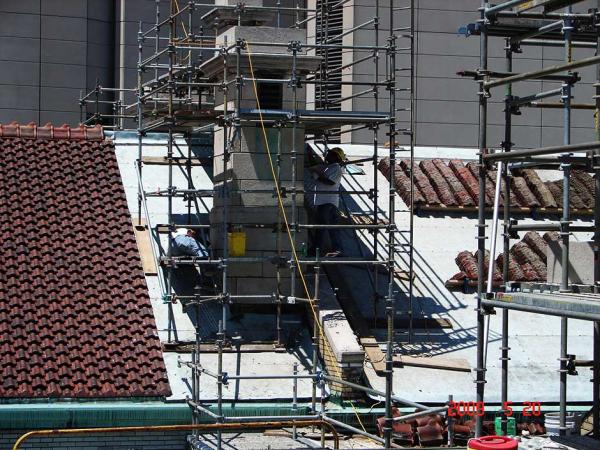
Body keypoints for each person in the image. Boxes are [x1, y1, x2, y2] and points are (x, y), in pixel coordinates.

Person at [307, 147, 347, 257]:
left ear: (336, 157)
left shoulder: (336, 168)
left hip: (328, 203)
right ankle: (332, 249)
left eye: (330, 154)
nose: (327, 155)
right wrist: (310, 156)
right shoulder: (328, 167)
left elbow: (329, 182)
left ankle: (317, 250)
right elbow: (317, 170)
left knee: (322, 227)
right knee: (328, 227)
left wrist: (316, 173)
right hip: (323, 202)